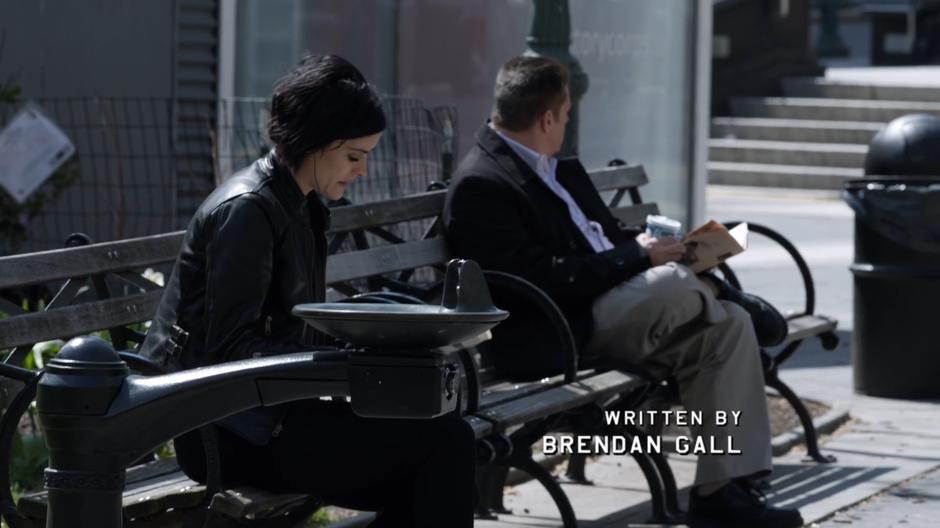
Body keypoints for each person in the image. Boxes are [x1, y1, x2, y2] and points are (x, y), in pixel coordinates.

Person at [443, 55, 802, 528]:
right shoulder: (482, 185)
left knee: (728, 331)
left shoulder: (559, 169)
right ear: (547, 117)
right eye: (567, 113)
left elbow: (608, 240)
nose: (568, 122)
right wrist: (638, 258)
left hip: (620, 310)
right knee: (675, 284)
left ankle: (723, 493)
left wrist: (670, 249)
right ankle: (717, 295)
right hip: (563, 330)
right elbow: (539, 282)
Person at [140, 55, 475, 528]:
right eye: (354, 156)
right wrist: (342, 363)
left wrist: (371, 345)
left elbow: (291, 327)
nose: (360, 170)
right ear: (316, 142)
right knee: (445, 447)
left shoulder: (297, 203)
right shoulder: (249, 211)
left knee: (438, 455)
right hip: (230, 433)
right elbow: (229, 350)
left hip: (273, 416)